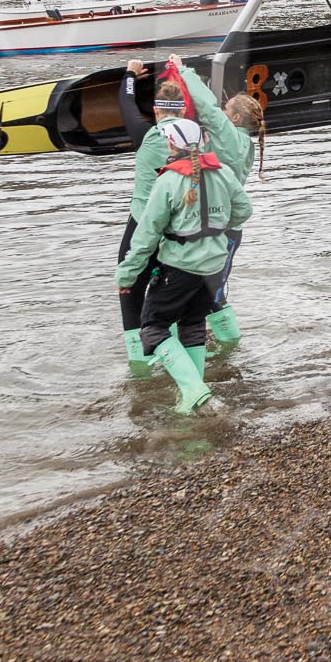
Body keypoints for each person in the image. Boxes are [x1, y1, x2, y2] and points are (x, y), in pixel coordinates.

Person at [115, 116, 251, 413]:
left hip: (179, 269)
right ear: (202, 141)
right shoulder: (223, 172)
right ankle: (191, 400)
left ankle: (194, 391)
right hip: (213, 267)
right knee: (192, 326)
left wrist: (126, 274)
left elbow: (146, 234)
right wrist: (217, 230)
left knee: (153, 328)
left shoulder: (167, 180)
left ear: (171, 144)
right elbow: (244, 210)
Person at [162, 56, 261, 345]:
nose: (221, 109)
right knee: (214, 291)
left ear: (234, 118)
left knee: (211, 294)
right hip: (229, 229)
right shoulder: (246, 142)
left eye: (226, 108)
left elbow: (206, 104)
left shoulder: (229, 136)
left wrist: (183, 69)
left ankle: (228, 346)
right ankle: (226, 347)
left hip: (219, 228)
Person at [114, 66, 187, 368]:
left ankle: (140, 373)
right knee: (163, 304)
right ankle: (175, 362)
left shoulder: (145, 135)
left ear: (156, 111)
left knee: (130, 298)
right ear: (183, 111)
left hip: (141, 229)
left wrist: (129, 75)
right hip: (177, 233)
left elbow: (126, 104)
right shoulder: (194, 141)